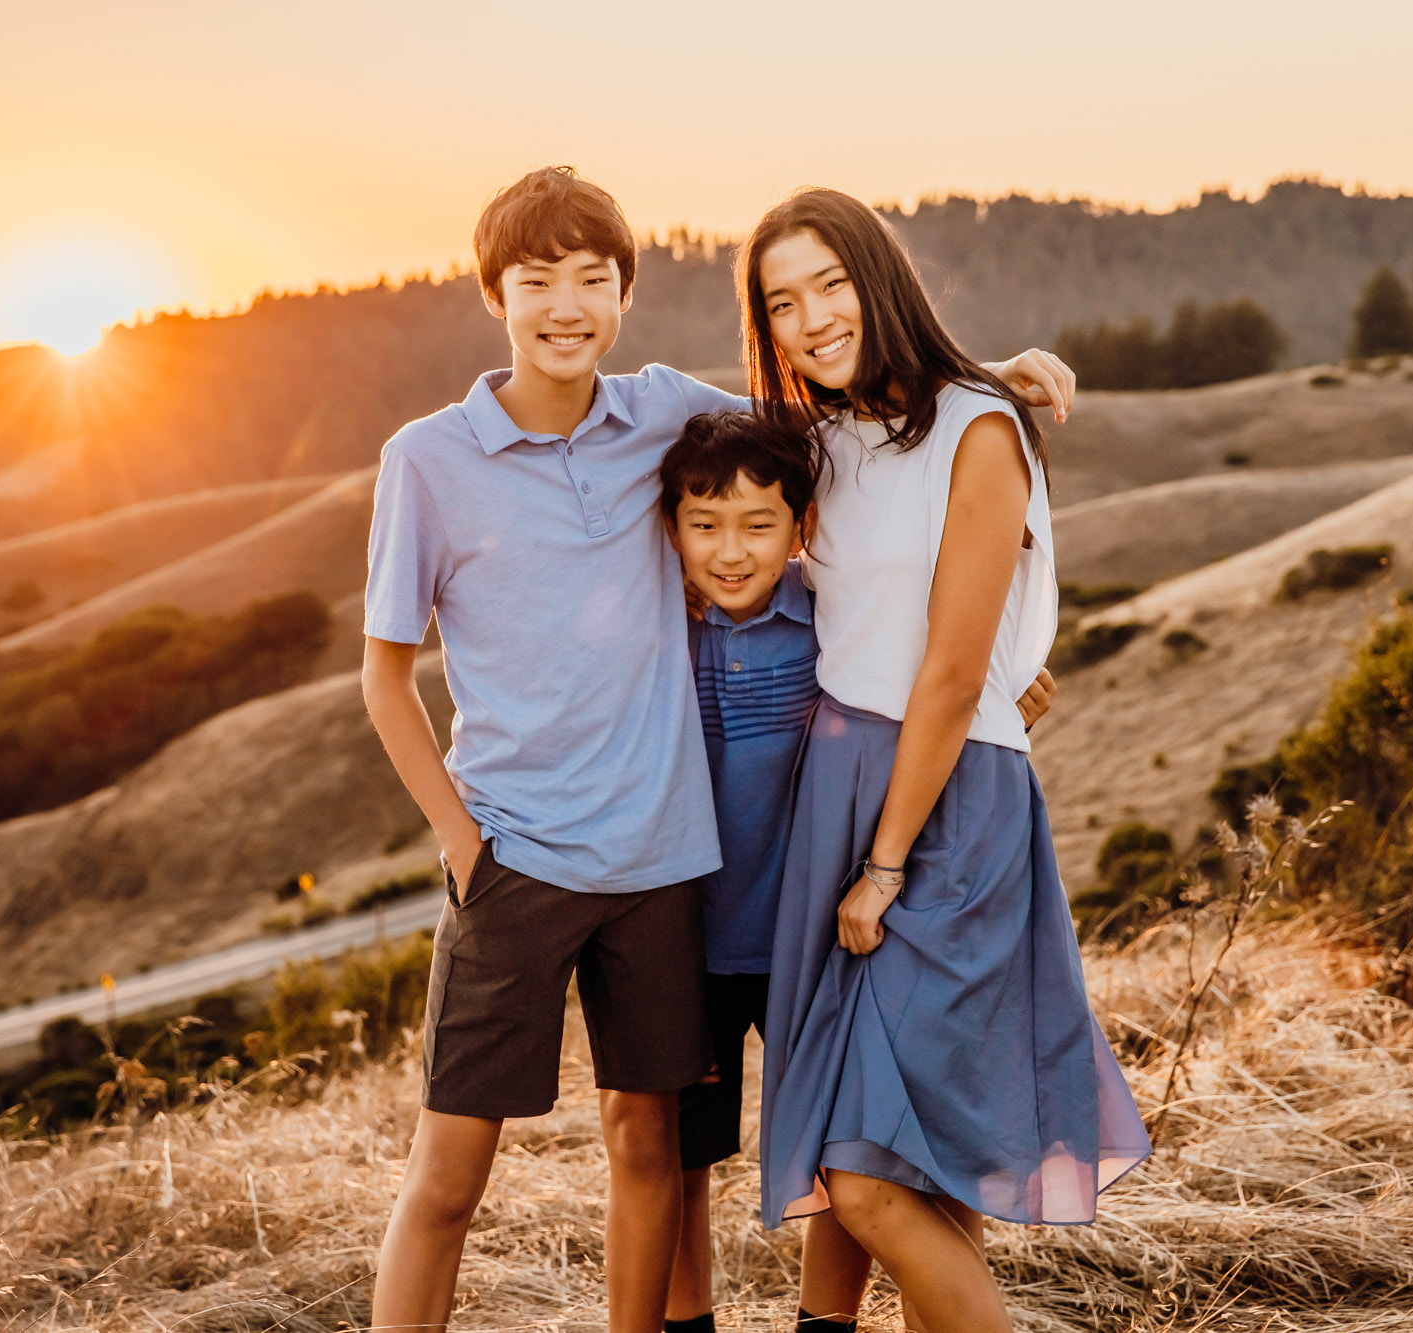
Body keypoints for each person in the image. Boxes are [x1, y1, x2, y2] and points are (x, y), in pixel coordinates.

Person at [359, 165, 1075, 1333]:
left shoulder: (655, 410)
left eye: (594, 279)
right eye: (536, 282)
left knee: (693, 1140)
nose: (566, 307)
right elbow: (382, 671)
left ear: (627, 291)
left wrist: (998, 377)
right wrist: (460, 840)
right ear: (492, 293)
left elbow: (842, 424)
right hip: (519, 861)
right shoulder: (427, 459)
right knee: (453, 1169)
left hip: (665, 869)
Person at [744, 188, 1153, 1333]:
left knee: (872, 1175)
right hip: (838, 785)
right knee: (896, 1143)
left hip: (945, 810)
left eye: (829, 282)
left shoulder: (978, 427)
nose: (811, 318)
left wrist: (880, 867)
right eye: (782, 303)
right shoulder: (821, 442)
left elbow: (949, 671)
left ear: (879, 277)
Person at [656, 411, 1054, 1333]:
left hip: (819, 928)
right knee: (684, 1150)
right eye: (703, 524)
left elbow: (940, 662)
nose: (730, 551)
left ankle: (823, 1322)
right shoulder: (655, 624)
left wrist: (1011, 683)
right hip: (686, 935)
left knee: (849, 1143)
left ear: (803, 528)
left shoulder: (831, 614)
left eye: (761, 525)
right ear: (670, 526)